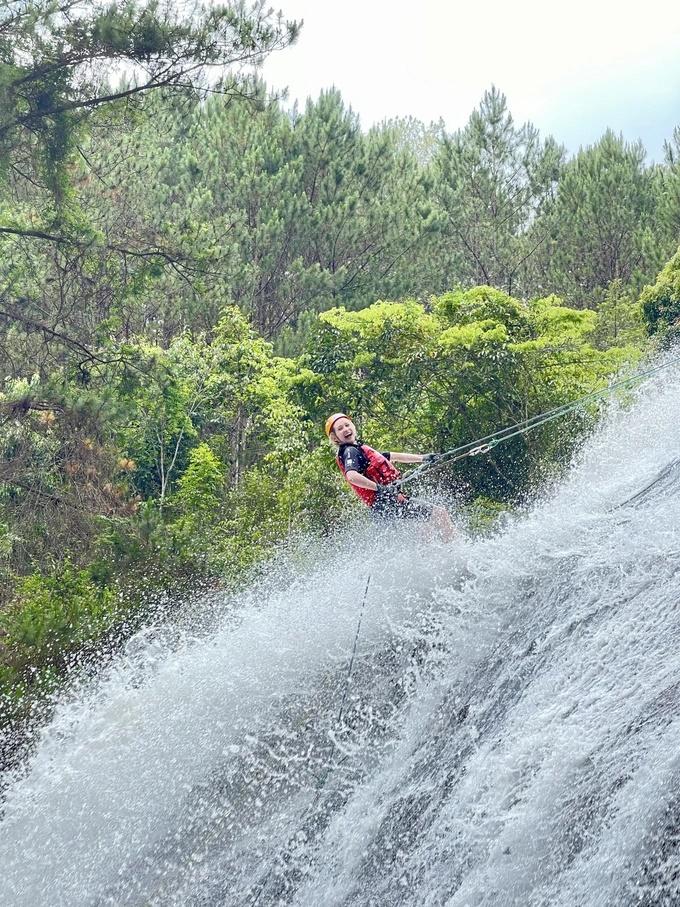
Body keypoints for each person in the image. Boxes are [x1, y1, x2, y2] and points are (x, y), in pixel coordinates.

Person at [325, 412, 455, 539]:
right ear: (335, 437)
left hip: (384, 505)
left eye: (347, 425)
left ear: (353, 426)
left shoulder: (360, 450)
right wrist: (379, 488)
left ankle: (435, 557)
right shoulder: (350, 451)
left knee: (425, 530)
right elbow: (352, 476)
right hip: (386, 502)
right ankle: (455, 550)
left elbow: (394, 456)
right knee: (439, 514)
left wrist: (423, 458)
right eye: (340, 429)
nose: (345, 429)